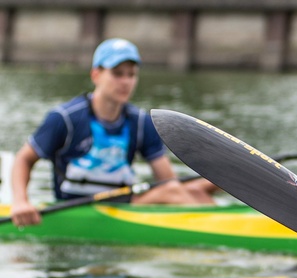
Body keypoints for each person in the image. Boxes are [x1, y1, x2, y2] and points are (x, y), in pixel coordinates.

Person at [10, 38, 216, 227]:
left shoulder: (142, 122)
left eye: (131, 74)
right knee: (175, 192)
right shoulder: (65, 118)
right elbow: (23, 159)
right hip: (74, 207)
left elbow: (168, 181)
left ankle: (221, 223)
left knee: (199, 188)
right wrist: (21, 202)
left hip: (123, 203)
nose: (126, 82)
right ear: (96, 75)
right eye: (117, 73)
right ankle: (216, 227)